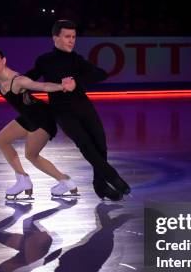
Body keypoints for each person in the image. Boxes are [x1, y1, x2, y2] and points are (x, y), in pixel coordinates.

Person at [26, 19, 130, 201]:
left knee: (100, 145)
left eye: (73, 37)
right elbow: (28, 79)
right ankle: (113, 177)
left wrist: (76, 82)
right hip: (62, 110)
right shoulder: (44, 60)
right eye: (67, 36)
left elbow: (101, 74)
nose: (71, 40)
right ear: (55, 38)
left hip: (83, 105)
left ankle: (100, 185)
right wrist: (9, 79)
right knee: (86, 145)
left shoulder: (76, 59)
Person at [0, 48, 78, 199]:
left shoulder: (18, 81)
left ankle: (65, 181)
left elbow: (42, 86)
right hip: (28, 116)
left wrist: (62, 86)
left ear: (3, 61)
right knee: (2, 140)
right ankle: (22, 179)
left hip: (42, 118)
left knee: (31, 155)